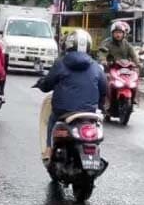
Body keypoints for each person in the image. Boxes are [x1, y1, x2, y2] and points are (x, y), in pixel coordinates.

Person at [35, 29, 106, 161]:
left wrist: (41, 84)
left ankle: (49, 149)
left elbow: (48, 84)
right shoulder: (96, 66)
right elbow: (104, 89)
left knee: (52, 119)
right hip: (89, 111)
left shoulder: (61, 63)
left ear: (68, 45)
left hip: (63, 111)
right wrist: (101, 106)